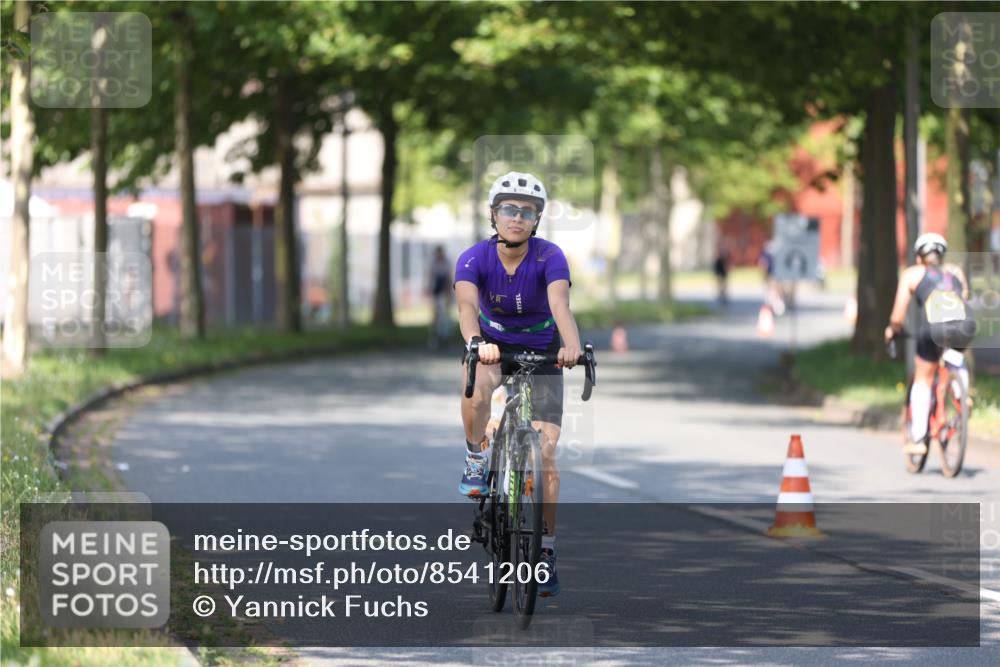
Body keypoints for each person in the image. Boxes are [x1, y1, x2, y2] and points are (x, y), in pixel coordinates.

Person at [453, 171, 584, 597]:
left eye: (527, 212)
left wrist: (572, 347)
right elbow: (467, 304)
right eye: (509, 209)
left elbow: (560, 304)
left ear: (536, 220)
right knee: (475, 388)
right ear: (494, 215)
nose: (517, 217)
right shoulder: (474, 258)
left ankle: (544, 550)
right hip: (493, 349)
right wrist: (476, 342)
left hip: (544, 353)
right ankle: (477, 457)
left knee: (546, 453)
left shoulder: (550, 257)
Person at [884, 232, 976, 455]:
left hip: (933, 329)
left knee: (923, 378)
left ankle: (917, 437)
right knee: (954, 355)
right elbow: (964, 296)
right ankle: (961, 394)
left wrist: (892, 330)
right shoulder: (954, 271)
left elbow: (898, 315)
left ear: (919, 257)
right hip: (965, 324)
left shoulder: (913, 273)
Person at [428, 245, 453, 348]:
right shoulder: (433, 263)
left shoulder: (446, 262)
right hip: (437, 290)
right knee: (436, 314)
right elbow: (431, 276)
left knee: (445, 313)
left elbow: (448, 278)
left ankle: (444, 334)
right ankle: (436, 334)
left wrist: (448, 292)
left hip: (445, 289)